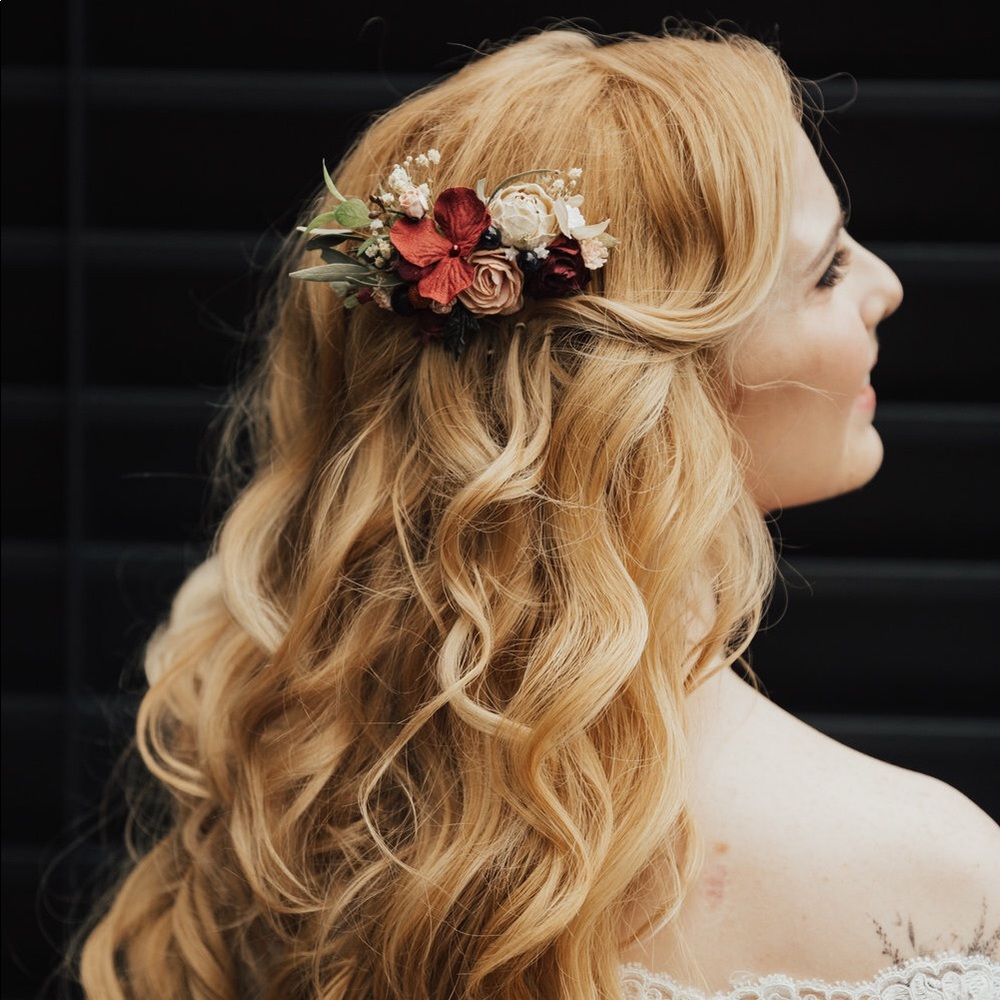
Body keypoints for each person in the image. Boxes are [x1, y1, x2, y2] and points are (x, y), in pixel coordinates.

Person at [73, 19, 1000, 1000]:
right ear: (653, 389)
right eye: (826, 269)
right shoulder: (931, 881)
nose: (886, 288)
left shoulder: (270, 784)